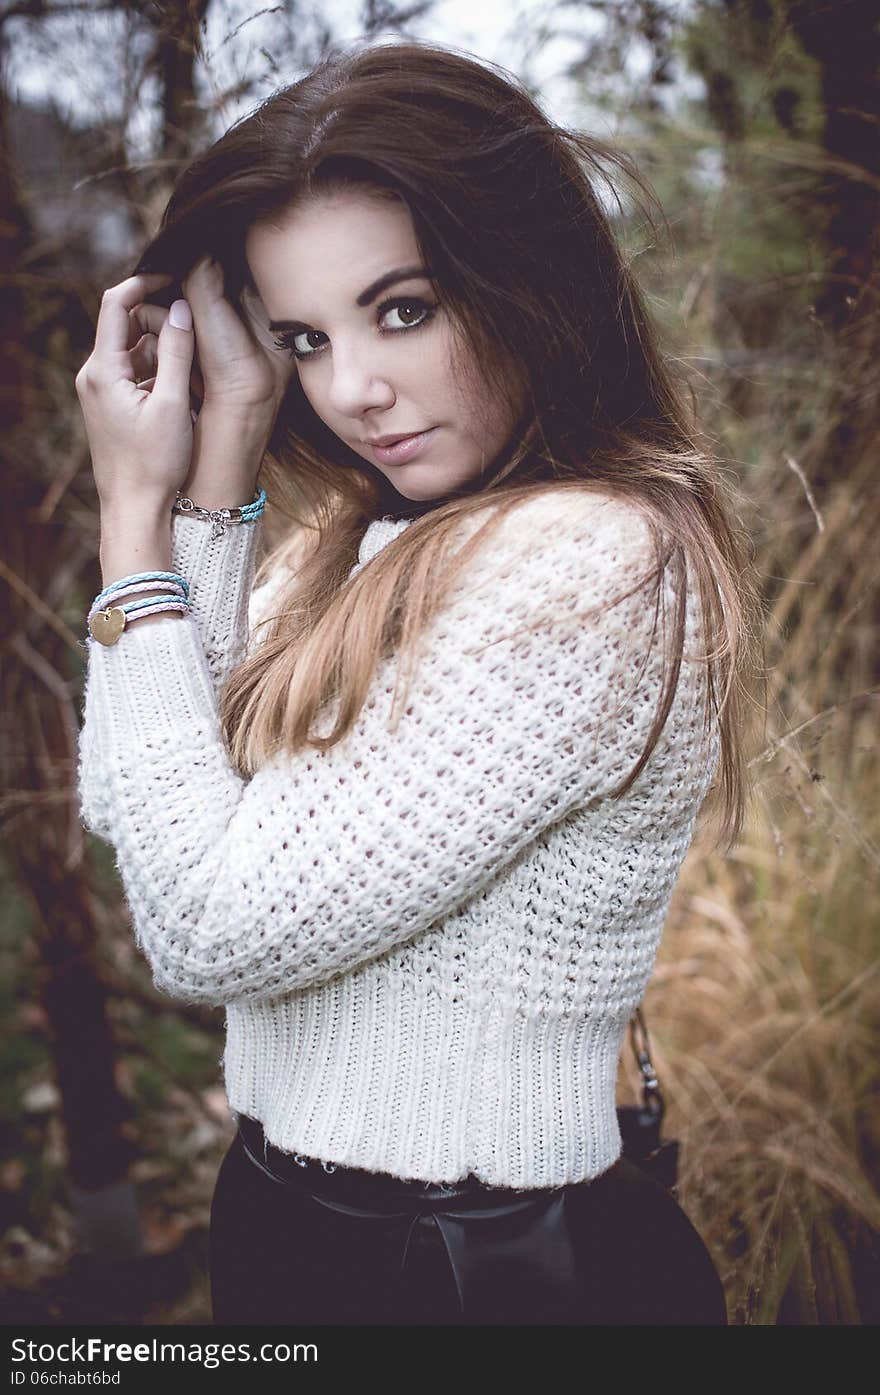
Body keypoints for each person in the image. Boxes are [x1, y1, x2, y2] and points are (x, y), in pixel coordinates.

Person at [74, 39, 763, 1325]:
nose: (354, 391)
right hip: (300, 1216)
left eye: (404, 309)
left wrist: (133, 519)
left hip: (464, 1265)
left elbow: (203, 928)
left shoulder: (589, 563)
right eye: (302, 338)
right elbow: (137, 798)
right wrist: (217, 470)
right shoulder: (359, 547)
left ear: (527, 280)